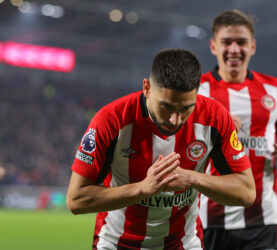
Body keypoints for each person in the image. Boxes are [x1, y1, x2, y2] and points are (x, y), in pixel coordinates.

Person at [66, 48, 256, 250]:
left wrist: (192, 178)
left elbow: (246, 193)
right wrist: (143, 188)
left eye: (185, 108)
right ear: (147, 88)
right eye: (166, 106)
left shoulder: (215, 118)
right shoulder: (111, 120)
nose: (175, 120)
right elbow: (76, 200)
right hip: (116, 243)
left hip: (183, 244)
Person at [198, 10, 277, 250]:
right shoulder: (197, 92)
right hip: (208, 220)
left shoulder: (275, 90)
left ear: (253, 46)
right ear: (214, 46)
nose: (234, 49)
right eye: (226, 42)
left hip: (262, 219)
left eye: (241, 42)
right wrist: (216, 125)